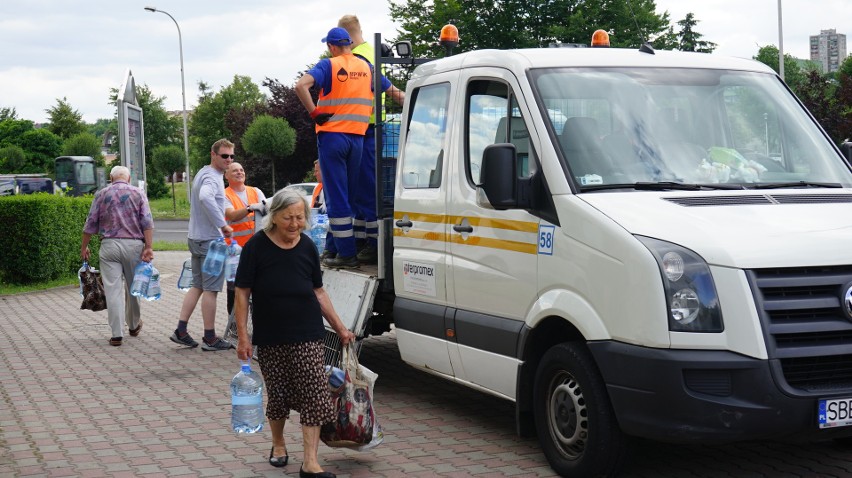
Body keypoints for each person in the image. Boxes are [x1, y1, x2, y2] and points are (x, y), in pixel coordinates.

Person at [234, 188, 356, 478]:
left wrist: (340, 327)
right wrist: (242, 336)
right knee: (279, 393)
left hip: (308, 332)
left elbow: (319, 291)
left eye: (300, 217)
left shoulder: (307, 248)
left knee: (314, 391)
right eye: (288, 218)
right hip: (271, 334)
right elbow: (242, 293)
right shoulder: (256, 247)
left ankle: (310, 463)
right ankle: (278, 445)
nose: (295, 224)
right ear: (274, 217)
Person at [295, 26, 402, 269]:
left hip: (332, 137)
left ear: (332, 47)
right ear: (349, 44)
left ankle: (346, 254)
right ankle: (336, 248)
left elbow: (301, 86)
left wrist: (315, 113)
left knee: (336, 197)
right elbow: (396, 94)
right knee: (349, 196)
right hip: (358, 139)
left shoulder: (328, 65)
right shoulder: (367, 67)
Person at [337, 15, 405, 264]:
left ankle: (373, 245)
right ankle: (365, 241)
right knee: (365, 188)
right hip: (371, 128)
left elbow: (385, 87)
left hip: (366, 130)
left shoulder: (359, 58)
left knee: (366, 190)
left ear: (345, 37)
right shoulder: (371, 51)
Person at [169, 138, 235, 351]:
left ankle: (181, 330)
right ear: (213, 154)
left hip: (195, 238)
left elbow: (212, 200)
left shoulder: (203, 173)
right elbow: (206, 198)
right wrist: (223, 225)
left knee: (197, 285)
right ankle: (210, 337)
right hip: (210, 242)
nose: (229, 160)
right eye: (224, 156)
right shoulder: (212, 177)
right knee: (211, 289)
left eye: (232, 156)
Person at [81, 165, 154, 346]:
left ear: (111, 178)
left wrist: (84, 246)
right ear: (128, 179)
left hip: (109, 246)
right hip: (133, 246)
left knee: (113, 290)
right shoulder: (138, 193)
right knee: (133, 287)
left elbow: (90, 222)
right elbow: (147, 222)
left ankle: (116, 334)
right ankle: (134, 325)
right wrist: (149, 247)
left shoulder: (102, 194)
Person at [223, 162, 267, 314]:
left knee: (258, 288)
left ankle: (257, 327)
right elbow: (231, 215)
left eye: (241, 170)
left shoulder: (255, 191)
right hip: (235, 252)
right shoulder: (224, 195)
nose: (239, 172)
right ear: (226, 175)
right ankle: (234, 327)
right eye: (235, 170)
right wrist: (249, 208)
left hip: (257, 250)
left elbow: (267, 209)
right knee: (235, 289)